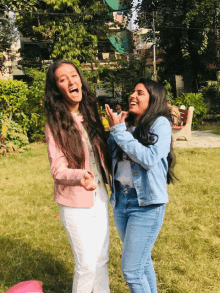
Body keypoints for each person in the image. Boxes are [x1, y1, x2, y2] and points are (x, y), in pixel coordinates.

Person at [44, 59, 111, 293]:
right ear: (57, 89)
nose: (71, 81)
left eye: (74, 75)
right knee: (86, 266)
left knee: (101, 260)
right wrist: (80, 175)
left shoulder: (91, 114)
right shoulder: (55, 123)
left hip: (100, 196)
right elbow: (58, 170)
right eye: (63, 79)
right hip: (74, 201)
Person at [105, 78, 177, 293]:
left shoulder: (160, 124)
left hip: (146, 205)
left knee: (131, 270)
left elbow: (150, 157)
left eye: (140, 92)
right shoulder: (126, 125)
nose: (132, 96)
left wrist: (119, 132)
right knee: (142, 263)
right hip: (122, 201)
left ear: (153, 98)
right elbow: (112, 157)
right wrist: (114, 130)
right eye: (132, 91)